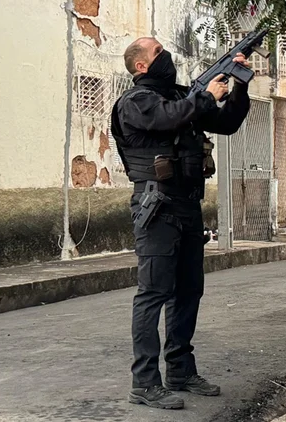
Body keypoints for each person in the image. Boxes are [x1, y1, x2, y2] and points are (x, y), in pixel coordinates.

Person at [111, 37, 251, 410]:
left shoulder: (182, 97)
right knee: (153, 294)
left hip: (187, 207)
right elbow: (168, 117)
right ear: (141, 66)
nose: (166, 56)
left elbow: (227, 123)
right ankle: (144, 382)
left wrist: (239, 85)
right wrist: (205, 95)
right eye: (157, 53)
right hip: (156, 207)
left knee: (189, 291)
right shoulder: (136, 102)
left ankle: (180, 371)